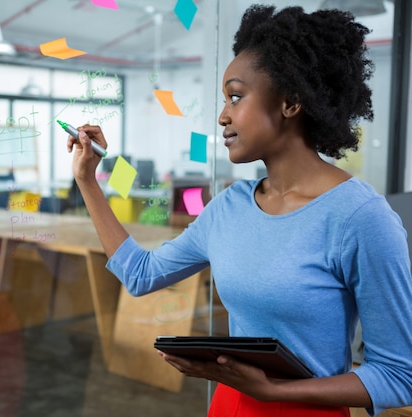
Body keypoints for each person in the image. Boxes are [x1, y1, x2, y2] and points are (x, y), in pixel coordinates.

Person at [67, 4, 412, 417]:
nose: (222, 116)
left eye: (236, 96)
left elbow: (399, 375)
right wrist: (88, 180)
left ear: (290, 102)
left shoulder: (360, 219)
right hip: (229, 405)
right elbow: (141, 275)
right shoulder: (229, 207)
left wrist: (275, 392)